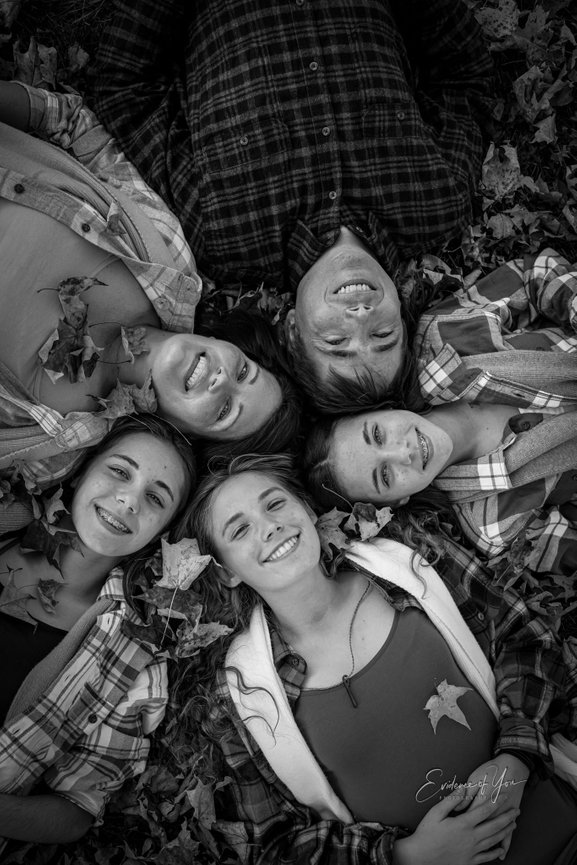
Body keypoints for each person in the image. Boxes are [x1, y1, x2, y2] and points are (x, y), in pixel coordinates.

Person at [170, 453, 577, 865]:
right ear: (226, 571)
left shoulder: (408, 562)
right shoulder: (242, 692)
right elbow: (274, 846)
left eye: (275, 504)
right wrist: (408, 856)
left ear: (307, 510)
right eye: (240, 530)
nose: (270, 526)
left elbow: (523, 635)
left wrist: (516, 758)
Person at [92, 0, 494, 408]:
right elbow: (465, 76)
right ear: (405, 319)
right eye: (383, 335)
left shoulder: (224, 236)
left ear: (291, 331)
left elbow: (127, 96)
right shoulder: (438, 201)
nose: (361, 315)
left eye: (335, 341)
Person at [0, 80, 302, 531]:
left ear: (184, 434)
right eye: (243, 372)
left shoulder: (57, 445)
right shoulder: (168, 261)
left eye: (224, 411)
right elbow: (74, 124)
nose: (222, 380)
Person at [0, 413, 196, 852]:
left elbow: (75, 810)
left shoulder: (131, 654)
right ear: (80, 471)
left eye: (155, 498)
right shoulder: (4, 520)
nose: (129, 500)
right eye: (120, 471)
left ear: (162, 533)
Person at [303, 401, 577, 579]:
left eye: (377, 434)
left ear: (380, 409)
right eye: (385, 475)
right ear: (398, 501)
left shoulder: (444, 347)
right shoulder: (496, 523)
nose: (403, 453)